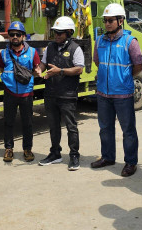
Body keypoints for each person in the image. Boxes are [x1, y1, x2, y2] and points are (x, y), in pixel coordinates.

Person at [92, 3, 142, 177]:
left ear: (120, 21)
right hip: (103, 94)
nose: (107, 24)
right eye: (105, 20)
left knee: (128, 130)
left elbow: (138, 65)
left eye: (111, 20)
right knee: (105, 128)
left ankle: (130, 162)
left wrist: (122, 77)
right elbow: (97, 62)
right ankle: (108, 157)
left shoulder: (130, 41)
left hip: (123, 94)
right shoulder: (99, 41)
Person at [38, 16, 84, 170]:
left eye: (60, 33)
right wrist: (39, 69)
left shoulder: (75, 48)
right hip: (51, 93)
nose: (56, 35)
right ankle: (55, 153)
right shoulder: (50, 47)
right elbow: (43, 63)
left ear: (69, 32)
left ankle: (74, 156)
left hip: (67, 95)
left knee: (71, 126)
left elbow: (79, 68)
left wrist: (61, 71)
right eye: (55, 32)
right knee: (53, 126)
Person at [0, 21, 40, 163]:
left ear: (23, 36)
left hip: (26, 94)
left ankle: (27, 149)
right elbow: (2, 67)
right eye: (12, 35)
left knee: (27, 123)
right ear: (9, 37)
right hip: (9, 93)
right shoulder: (3, 53)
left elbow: (37, 68)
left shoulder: (32, 52)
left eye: (18, 34)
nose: (15, 37)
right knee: (8, 122)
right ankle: (8, 148)